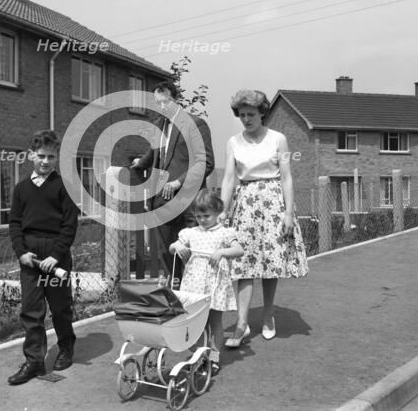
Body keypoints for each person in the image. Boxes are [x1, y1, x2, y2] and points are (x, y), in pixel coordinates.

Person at [219, 90, 308, 347]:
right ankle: (242, 323)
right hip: (245, 202)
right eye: (242, 115)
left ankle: (268, 313)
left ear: (262, 114)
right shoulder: (233, 142)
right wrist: (224, 210)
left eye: (251, 114)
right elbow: (228, 179)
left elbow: (287, 177)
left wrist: (289, 213)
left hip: (273, 202)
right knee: (243, 263)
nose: (246, 119)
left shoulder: (278, 139)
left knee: (270, 262)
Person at [7, 130, 79, 385]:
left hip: (56, 256)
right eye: (40, 156)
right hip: (30, 258)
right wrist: (21, 253)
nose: (45, 161)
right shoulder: (21, 188)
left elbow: (70, 226)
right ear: (30, 156)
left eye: (50, 157)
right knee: (31, 310)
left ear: (56, 157)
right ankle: (34, 361)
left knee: (60, 308)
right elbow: (14, 223)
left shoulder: (64, 187)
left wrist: (56, 256)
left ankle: (66, 348)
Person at [131, 81, 215, 283]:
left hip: (188, 203)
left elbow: (207, 162)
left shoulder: (196, 124)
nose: (161, 107)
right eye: (157, 103)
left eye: (165, 102)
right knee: (168, 254)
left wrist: (179, 182)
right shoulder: (159, 125)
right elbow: (154, 152)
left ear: (176, 100)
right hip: (162, 202)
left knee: (192, 253)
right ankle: (176, 296)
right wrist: (139, 163)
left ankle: (198, 298)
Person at [169, 189, 244, 375]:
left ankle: (215, 356)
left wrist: (222, 252)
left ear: (217, 213)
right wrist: (178, 246)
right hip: (193, 286)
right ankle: (200, 355)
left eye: (207, 215)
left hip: (215, 285)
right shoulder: (190, 233)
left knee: (215, 322)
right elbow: (172, 248)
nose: (202, 219)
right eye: (199, 215)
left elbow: (239, 250)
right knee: (195, 323)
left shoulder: (224, 233)